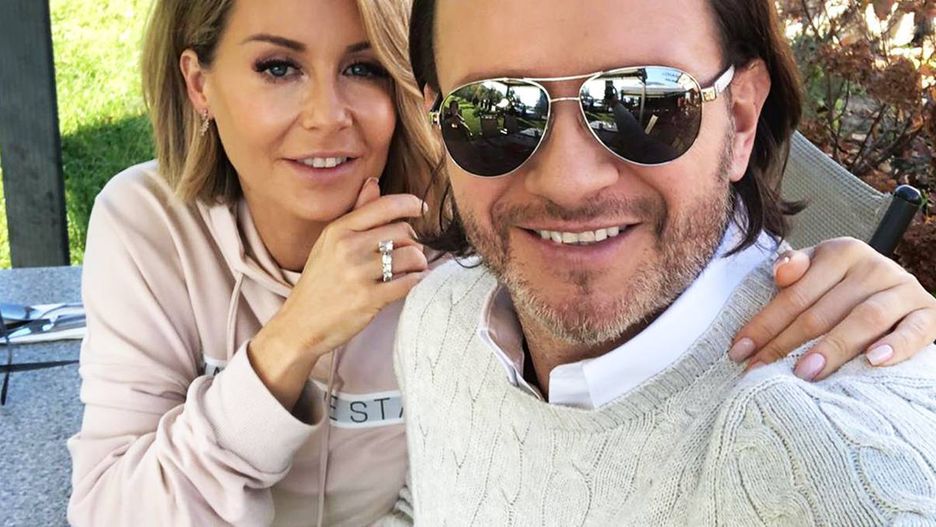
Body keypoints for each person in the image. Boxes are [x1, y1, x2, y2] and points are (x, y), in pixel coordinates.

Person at [392, 0, 936, 524]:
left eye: (643, 102)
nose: (568, 182)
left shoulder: (824, 453)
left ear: (741, 118)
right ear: (438, 126)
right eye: (496, 112)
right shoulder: (436, 320)